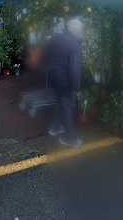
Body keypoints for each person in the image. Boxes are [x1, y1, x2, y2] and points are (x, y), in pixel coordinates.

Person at [42, 17, 84, 147]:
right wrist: (76, 88)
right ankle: (71, 139)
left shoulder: (56, 38)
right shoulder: (74, 44)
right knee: (67, 107)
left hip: (53, 78)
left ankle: (55, 128)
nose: (81, 32)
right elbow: (74, 69)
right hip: (65, 81)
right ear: (75, 30)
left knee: (59, 102)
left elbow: (46, 55)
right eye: (80, 30)